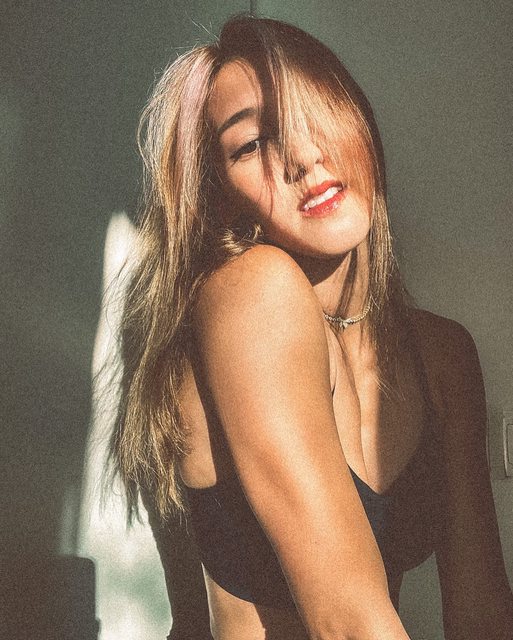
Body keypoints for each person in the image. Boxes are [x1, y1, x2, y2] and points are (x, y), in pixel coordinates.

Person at [108, 14, 513, 640]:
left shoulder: (442, 355)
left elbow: (483, 617)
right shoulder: (252, 294)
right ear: (219, 195)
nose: (302, 156)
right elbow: (347, 621)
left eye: (313, 110)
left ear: (357, 117)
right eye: (250, 145)